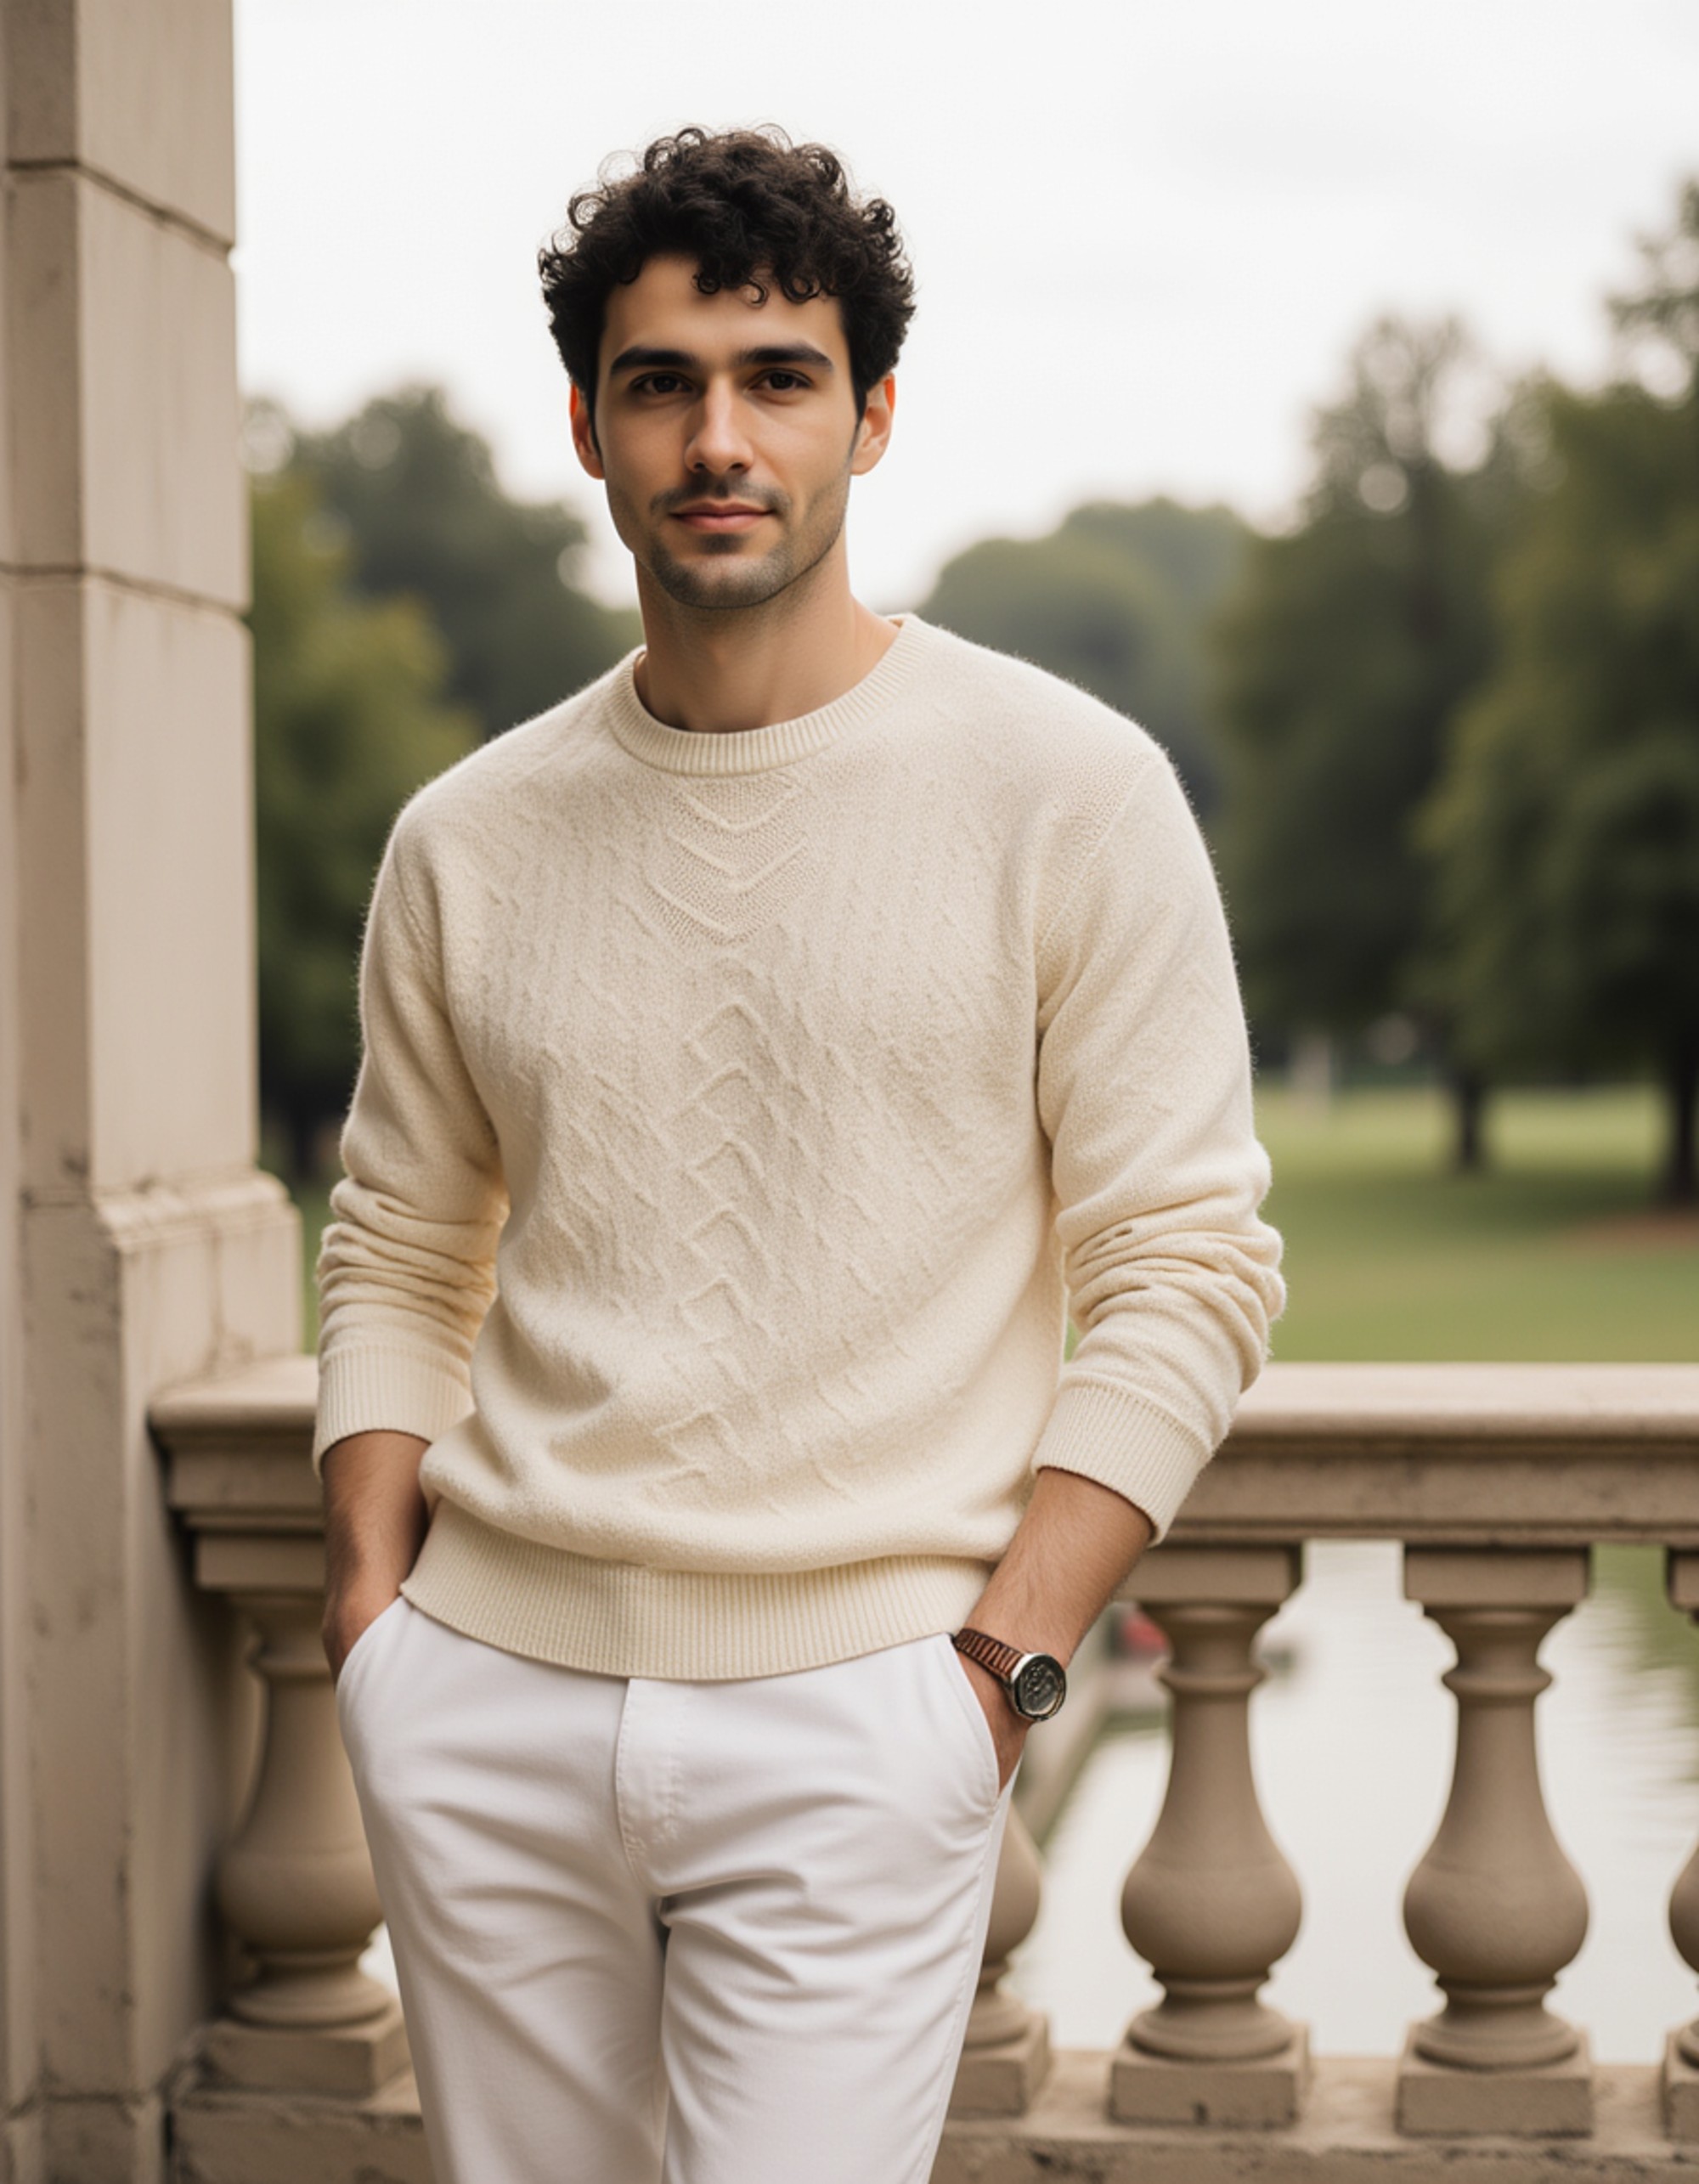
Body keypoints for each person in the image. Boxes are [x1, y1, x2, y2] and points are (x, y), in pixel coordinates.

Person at [314, 124, 1284, 2184]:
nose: (717, 438)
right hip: (481, 1699)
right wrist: (372, 1619)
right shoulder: (464, 839)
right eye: (661, 382)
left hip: (866, 1714)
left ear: (873, 414)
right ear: (587, 424)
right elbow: (400, 1239)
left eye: (776, 377)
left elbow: (1186, 1262)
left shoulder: (1068, 791)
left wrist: (998, 1670)